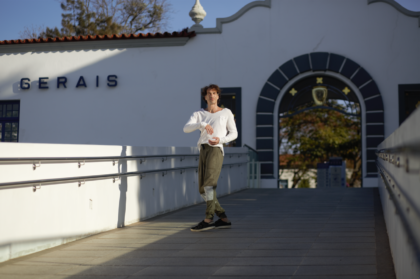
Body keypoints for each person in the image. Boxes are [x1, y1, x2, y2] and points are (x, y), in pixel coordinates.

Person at [183, 84, 238, 232]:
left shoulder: (226, 112)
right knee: (202, 189)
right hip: (203, 149)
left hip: (216, 149)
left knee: (209, 184)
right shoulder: (199, 114)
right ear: (205, 97)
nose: (212, 96)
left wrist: (220, 140)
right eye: (209, 93)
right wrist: (202, 124)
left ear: (218, 96)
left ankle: (208, 219)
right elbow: (186, 128)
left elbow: (234, 134)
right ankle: (223, 218)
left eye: (214, 93)